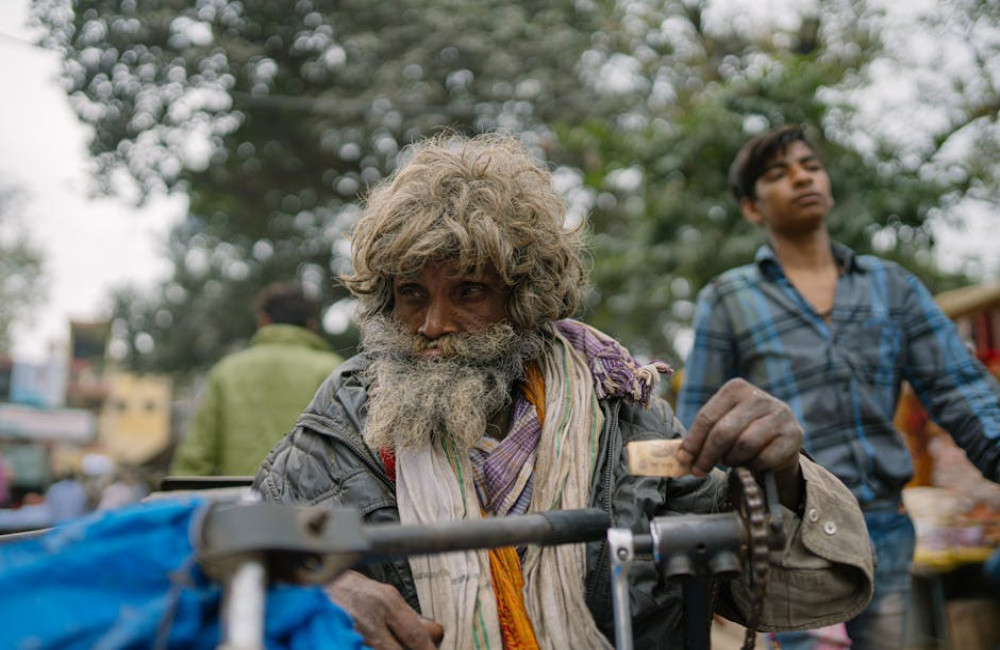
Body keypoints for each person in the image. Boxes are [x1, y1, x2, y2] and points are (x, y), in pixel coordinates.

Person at [254, 133, 875, 650]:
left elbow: (796, 589)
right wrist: (309, 590)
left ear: (524, 300)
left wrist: (786, 477)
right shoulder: (342, 423)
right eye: (413, 294)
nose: (433, 325)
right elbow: (230, 567)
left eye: (468, 291)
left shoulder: (631, 424)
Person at [677, 124, 1000, 650]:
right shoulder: (728, 298)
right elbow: (699, 429)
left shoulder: (891, 287)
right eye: (778, 174)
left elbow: (963, 391)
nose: (802, 177)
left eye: (810, 165)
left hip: (885, 531)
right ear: (752, 208)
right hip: (787, 539)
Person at [171, 281, 344, 476]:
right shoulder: (334, 370)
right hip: (316, 505)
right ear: (311, 325)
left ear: (263, 321)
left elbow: (195, 459)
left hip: (244, 502)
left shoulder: (227, 372)